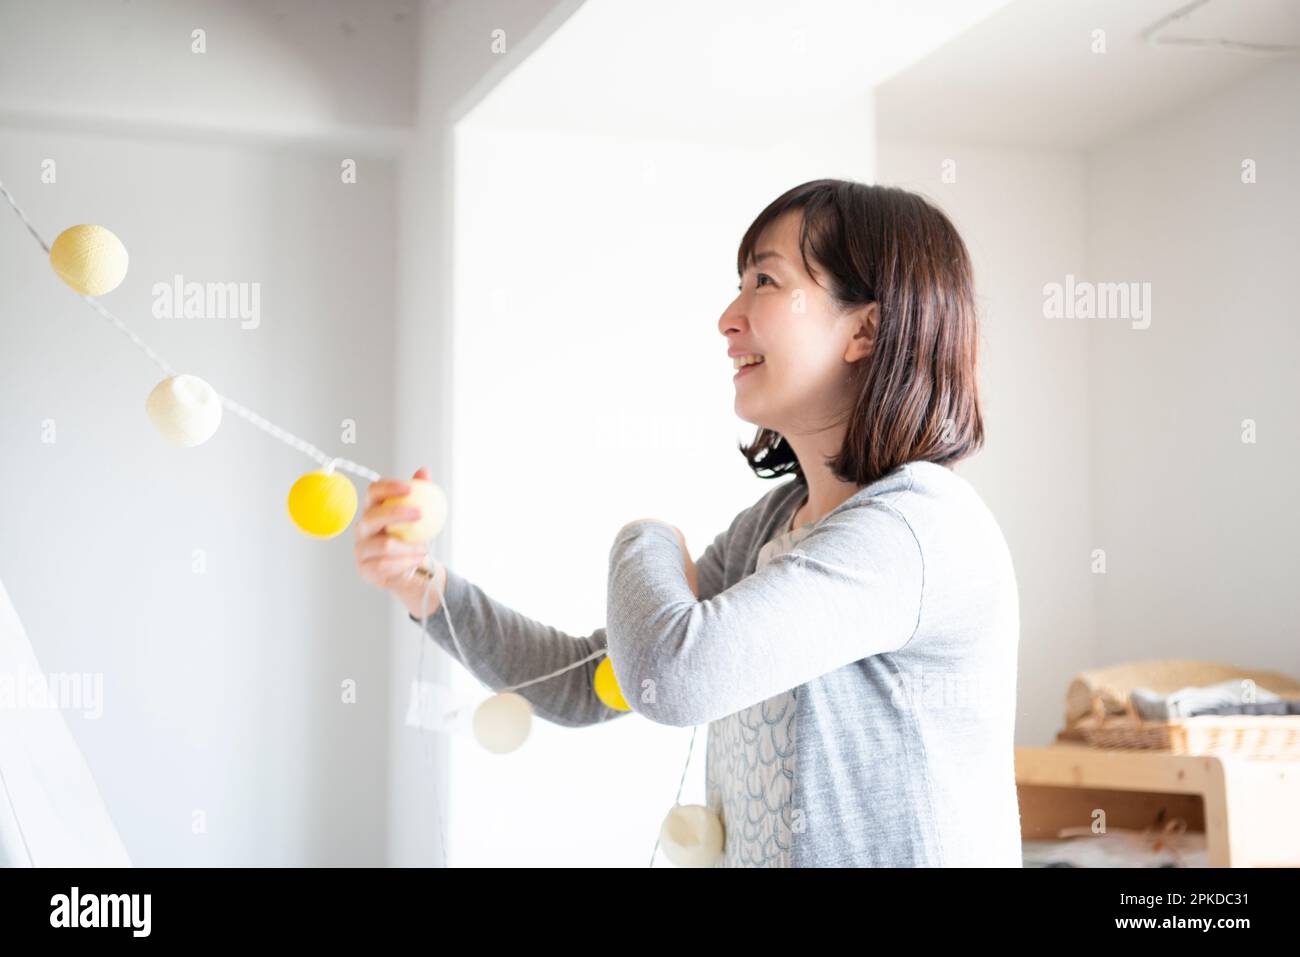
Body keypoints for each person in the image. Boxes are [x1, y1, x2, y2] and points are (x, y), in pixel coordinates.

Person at [354, 178, 1022, 867]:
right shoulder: (773, 525)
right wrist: (426, 587)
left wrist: (642, 536)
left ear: (867, 328)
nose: (729, 318)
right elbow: (594, 680)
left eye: (766, 280)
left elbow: (671, 675)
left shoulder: (916, 529)